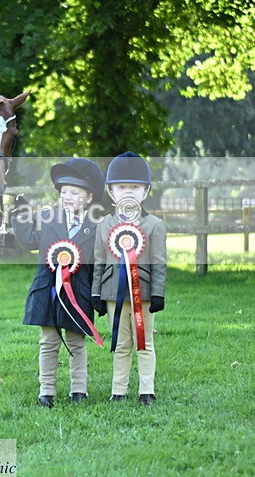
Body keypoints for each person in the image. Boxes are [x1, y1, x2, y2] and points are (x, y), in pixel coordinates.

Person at [11, 158, 105, 408]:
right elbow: (30, 241)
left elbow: (98, 265)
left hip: (79, 292)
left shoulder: (95, 227)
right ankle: (46, 392)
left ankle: (78, 390)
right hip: (48, 291)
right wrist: (20, 216)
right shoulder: (48, 218)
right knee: (48, 342)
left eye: (74, 193)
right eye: (64, 192)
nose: (68, 197)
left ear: (88, 197)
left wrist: (98, 295)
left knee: (76, 341)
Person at [91, 152, 166, 406]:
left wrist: (158, 293)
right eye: (122, 187)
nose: (128, 192)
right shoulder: (104, 224)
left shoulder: (154, 224)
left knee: (144, 342)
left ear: (145, 191)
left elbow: (159, 262)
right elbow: (99, 262)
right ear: (111, 192)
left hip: (142, 292)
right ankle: (118, 391)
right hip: (113, 291)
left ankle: (147, 389)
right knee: (120, 344)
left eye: (135, 187)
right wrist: (96, 293)